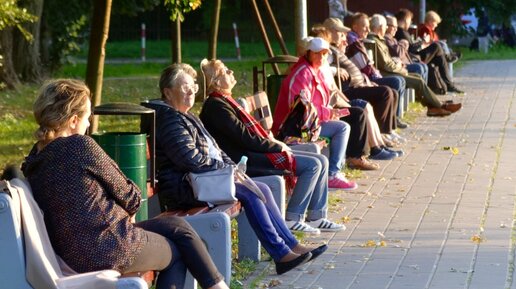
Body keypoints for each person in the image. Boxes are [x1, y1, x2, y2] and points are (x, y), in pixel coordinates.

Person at [21, 79, 230, 289]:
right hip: (108, 247)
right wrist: (128, 211)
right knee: (176, 252)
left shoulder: (33, 161)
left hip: (72, 250)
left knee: (178, 227)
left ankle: (218, 286)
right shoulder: (79, 145)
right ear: (74, 120)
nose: (88, 123)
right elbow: (130, 195)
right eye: (87, 116)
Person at [147, 63, 328, 275]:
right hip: (185, 187)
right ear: (168, 92)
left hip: (202, 181)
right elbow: (189, 159)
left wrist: (231, 168)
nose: (191, 91)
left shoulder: (185, 115)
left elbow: (215, 148)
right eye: (184, 87)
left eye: (193, 87)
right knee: (250, 193)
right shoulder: (170, 120)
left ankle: (291, 246)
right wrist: (226, 169)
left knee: (262, 188)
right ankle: (281, 254)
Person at [198, 59, 349, 235]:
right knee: (313, 165)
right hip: (246, 160)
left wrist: (275, 144)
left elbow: (249, 137)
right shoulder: (216, 107)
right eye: (225, 71)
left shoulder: (224, 101)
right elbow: (245, 139)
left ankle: (317, 216)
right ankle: (293, 218)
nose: (231, 72)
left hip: (252, 152)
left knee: (321, 160)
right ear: (215, 82)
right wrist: (276, 146)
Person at [311, 23, 403, 159]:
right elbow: (332, 90)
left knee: (371, 103)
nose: (344, 37)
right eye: (340, 33)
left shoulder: (329, 55)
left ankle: (379, 144)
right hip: (338, 100)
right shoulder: (322, 62)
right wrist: (336, 70)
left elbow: (334, 88)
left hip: (348, 93)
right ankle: (369, 151)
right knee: (364, 107)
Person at [368, 14, 462, 117]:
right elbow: (386, 65)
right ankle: (439, 106)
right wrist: (401, 68)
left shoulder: (379, 40)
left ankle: (434, 107)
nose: (386, 28)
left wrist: (398, 64)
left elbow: (388, 61)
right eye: (386, 26)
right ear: (380, 27)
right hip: (387, 73)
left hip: (392, 69)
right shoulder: (375, 41)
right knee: (417, 80)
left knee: (417, 76)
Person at [395, 9, 464, 94]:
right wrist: (423, 41)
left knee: (439, 54)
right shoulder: (401, 32)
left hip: (414, 56)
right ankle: (449, 82)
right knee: (437, 46)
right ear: (406, 20)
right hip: (413, 58)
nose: (410, 23)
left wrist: (421, 42)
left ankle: (447, 84)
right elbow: (411, 49)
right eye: (410, 20)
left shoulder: (402, 32)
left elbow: (410, 46)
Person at [384, 15, 428, 83]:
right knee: (419, 67)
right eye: (393, 27)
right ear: (386, 26)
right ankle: (420, 91)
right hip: (399, 66)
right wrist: (404, 42)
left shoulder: (393, 39)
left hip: (406, 63)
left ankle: (421, 92)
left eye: (396, 27)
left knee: (424, 66)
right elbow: (399, 53)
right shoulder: (386, 39)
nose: (396, 29)